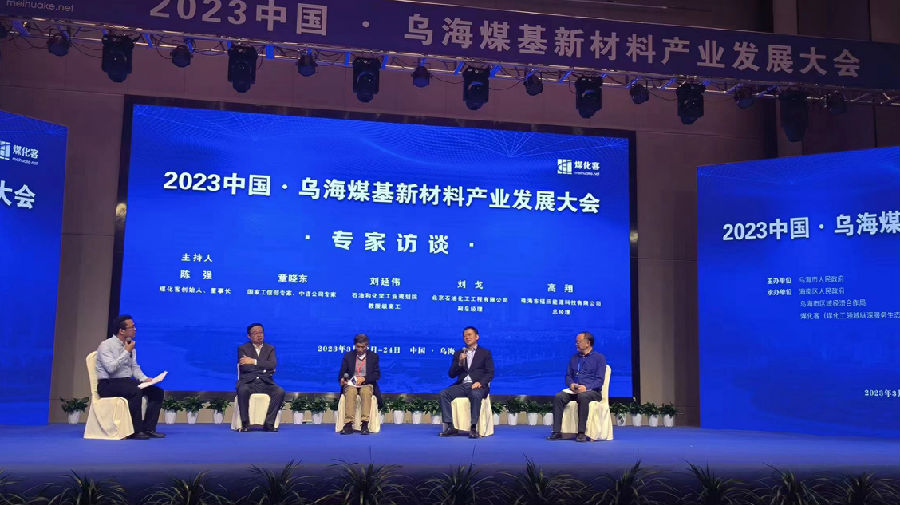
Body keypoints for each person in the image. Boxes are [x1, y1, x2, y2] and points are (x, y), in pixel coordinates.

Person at [95, 314, 165, 440]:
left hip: (126, 382)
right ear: (122, 331)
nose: (135, 329)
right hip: (108, 384)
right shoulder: (106, 345)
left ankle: (148, 428)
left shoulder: (129, 345)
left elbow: (134, 368)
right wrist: (126, 351)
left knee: (157, 392)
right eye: (132, 327)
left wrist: (146, 379)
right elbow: (111, 368)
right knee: (135, 391)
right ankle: (135, 430)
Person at [547, 331, 607, 442]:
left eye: (578, 342)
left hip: (592, 392)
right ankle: (556, 432)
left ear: (588, 343)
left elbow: (600, 380)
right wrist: (571, 384)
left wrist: (586, 387)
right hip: (575, 391)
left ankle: (581, 433)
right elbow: (568, 376)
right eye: (576, 342)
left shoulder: (599, 358)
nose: (576, 344)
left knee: (583, 396)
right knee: (558, 397)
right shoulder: (574, 358)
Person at [438, 326, 494, 439]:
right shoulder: (459, 353)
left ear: (477, 337)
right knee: (444, 393)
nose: (467, 337)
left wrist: (480, 383)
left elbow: (490, 372)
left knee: (475, 394)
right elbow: (451, 374)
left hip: (478, 386)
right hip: (462, 385)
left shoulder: (485, 353)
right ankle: (451, 427)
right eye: (464, 336)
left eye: (469, 335)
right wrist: (460, 363)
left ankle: (473, 428)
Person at [236, 323, 285, 432]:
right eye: (255, 333)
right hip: (248, 382)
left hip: (265, 382)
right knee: (243, 390)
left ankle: (269, 423)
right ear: (249, 336)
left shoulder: (270, 348)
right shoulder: (243, 348)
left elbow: (272, 364)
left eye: (261, 332)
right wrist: (265, 369)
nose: (259, 335)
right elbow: (245, 368)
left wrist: (253, 361)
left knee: (280, 391)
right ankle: (245, 424)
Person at [337, 334, 381, 435]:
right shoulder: (348, 356)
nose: (360, 349)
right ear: (355, 345)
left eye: (363, 347)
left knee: (365, 391)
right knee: (350, 391)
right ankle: (348, 424)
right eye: (358, 347)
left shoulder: (373, 357)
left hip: (366, 383)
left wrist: (364, 379)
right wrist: (342, 379)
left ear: (367, 346)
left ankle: (364, 424)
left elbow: (376, 374)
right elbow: (342, 373)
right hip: (351, 384)